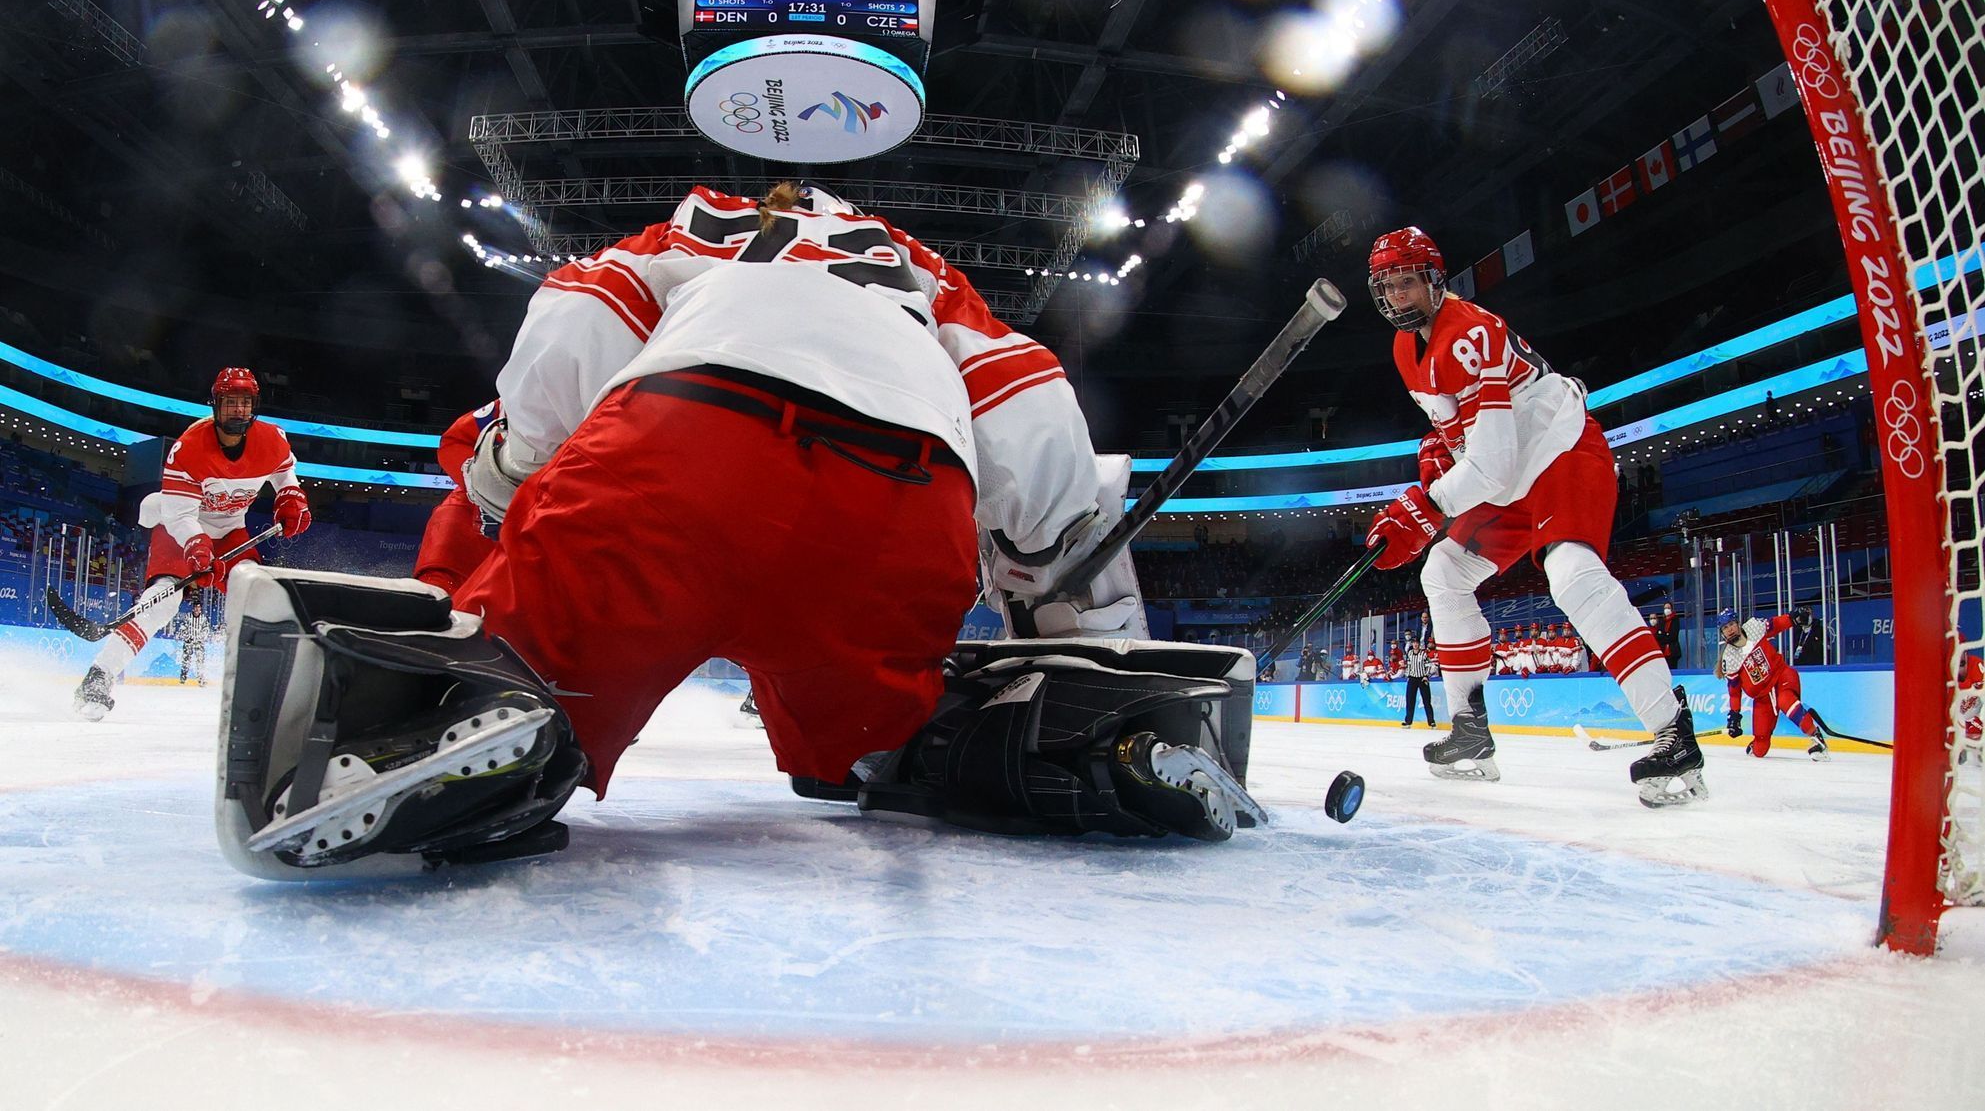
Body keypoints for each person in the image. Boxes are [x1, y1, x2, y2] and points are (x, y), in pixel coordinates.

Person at [212, 183, 1261, 879]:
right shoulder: (924, 276)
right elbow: (1028, 407)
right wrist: (1050, 587)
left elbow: (578, 319)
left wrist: (518, 464)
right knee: (881, 743)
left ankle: (483, 725)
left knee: (528, 673)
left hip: (682, 445)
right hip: (894, 498)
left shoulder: (702, 232)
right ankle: (1076, 743)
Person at [1362, 226, 1704, 805]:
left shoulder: (1469, 333)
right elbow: (1472, 436)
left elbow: (1492, 463)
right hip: (1510, 472)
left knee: (1572, 575)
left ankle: (1674, 735)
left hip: (1559, 451)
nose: (1398, 296)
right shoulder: (1405, 349)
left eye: (1408, 283)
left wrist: (1428, 506)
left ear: (1434, 280)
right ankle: (1470, 732)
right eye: (1388, 286)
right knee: (1443, 572)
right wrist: (1438, 452)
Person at [73, 368, 311, 720]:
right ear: (215, 405)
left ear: (254, 406)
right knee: (161, 602)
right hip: (179, 527)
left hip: (231, 530)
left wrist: (290, 497)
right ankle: (99, 676)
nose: (238, 411)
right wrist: (197, 548)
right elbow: (180, 516)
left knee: (258, 595)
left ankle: (275, 688)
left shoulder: (272, 439)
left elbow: (283, 473)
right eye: (230, 403)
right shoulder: (189, 448)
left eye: (244, 404)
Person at [410, 400, 500, 596]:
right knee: (438, 603)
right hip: (469, 525)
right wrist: (493, 491)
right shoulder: (532, 395)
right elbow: (455, 441)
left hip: (537, 534)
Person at [1718, 608, 1828, 760]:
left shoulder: (1753, 627)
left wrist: (1792, 618)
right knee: (1759, 750)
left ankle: (1817, 738)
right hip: (1763, 698)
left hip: (1782, 676)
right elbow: (1734, 692)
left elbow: (1775, 624)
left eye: (1731, 624)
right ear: (1722, 633)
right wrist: (1734, 716)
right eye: (1724, 628)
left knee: (1785, 701)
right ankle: (1758, 742)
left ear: (1737, 623)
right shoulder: (1729, 658)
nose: (1729, 629)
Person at [1402, 638, 1435, 729]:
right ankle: (1408, 721)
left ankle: (1431, 722)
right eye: (1414, 643)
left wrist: (1426, 676)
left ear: (1419, 644)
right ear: (1412, 644)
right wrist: (1408, 675)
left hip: (1422, 678)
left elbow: (1428, 665)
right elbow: (1408, 665)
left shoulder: (1423, 654)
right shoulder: (1410, 653)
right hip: (1412, 678)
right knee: (1410, 700)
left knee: (1426, 701)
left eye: (1417, 643)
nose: (1415, 645)